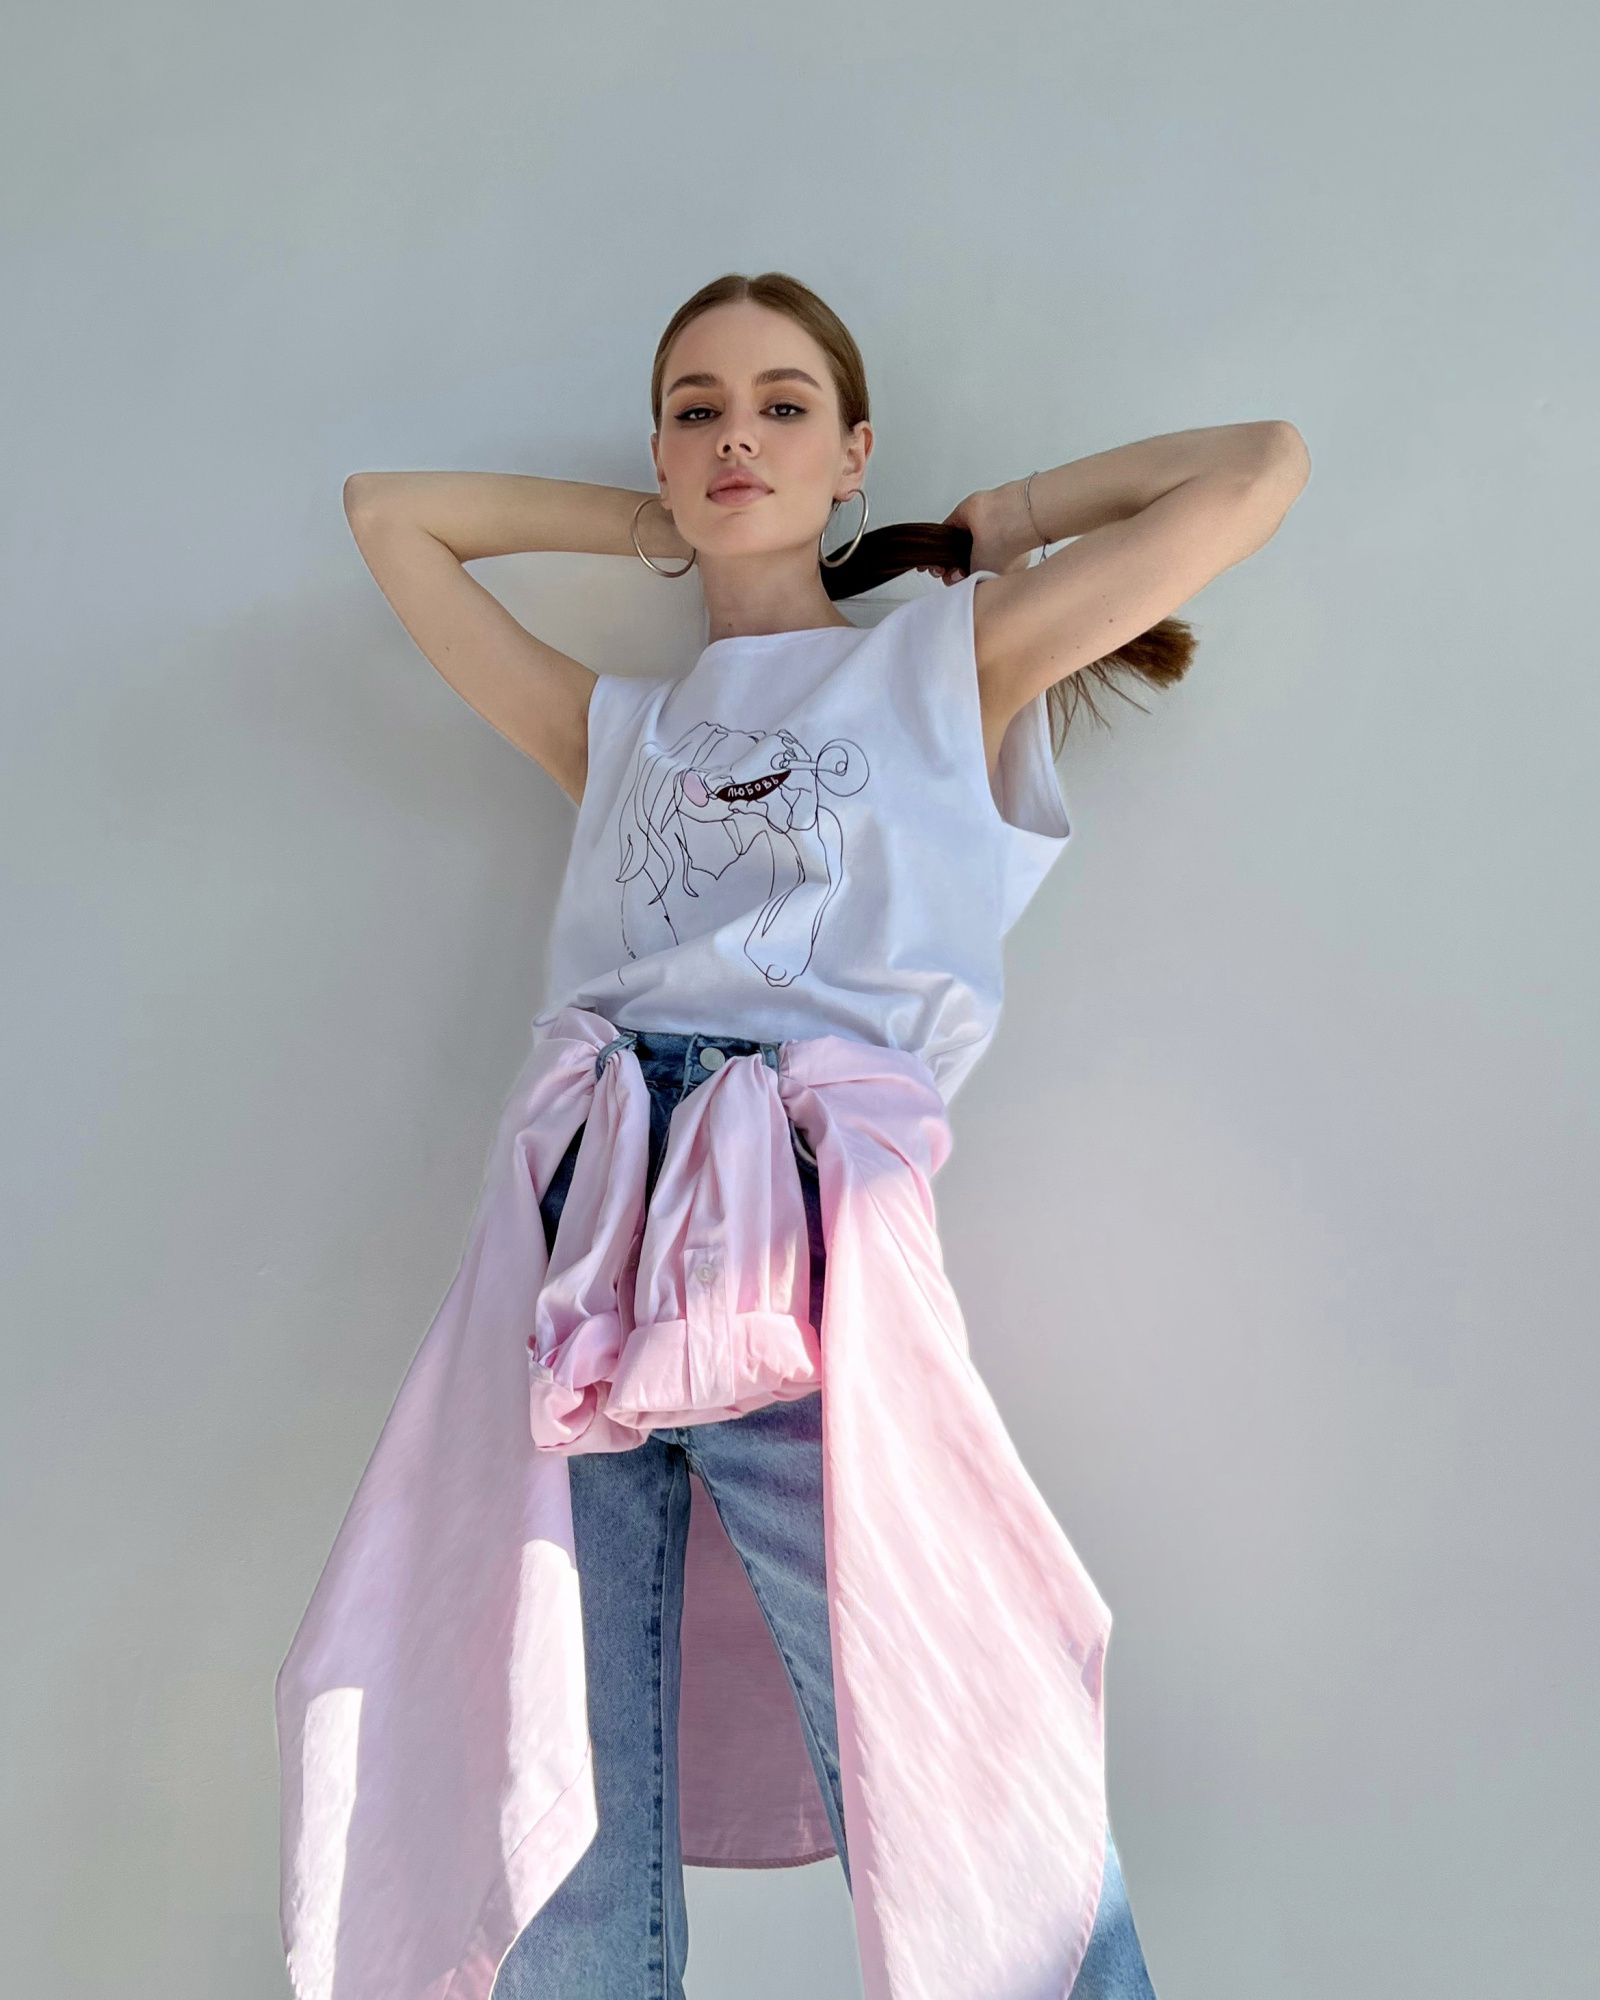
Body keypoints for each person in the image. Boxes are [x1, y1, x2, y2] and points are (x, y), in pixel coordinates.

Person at [330, 269, 1310, 1998]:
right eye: (697, 411)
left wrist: (994, 520)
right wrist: (655, 525)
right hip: (586, 1241)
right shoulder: (616, 728)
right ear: (657, 450)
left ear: (856, 450)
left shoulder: (947, 662)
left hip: (807, 1226)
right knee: (556, 1766)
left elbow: (1257, 470)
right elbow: (387, 517)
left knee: (951, 1743)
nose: (738, 437)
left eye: (784, 408)